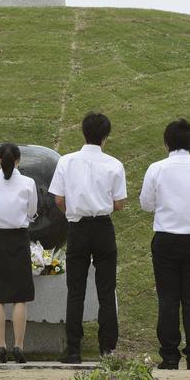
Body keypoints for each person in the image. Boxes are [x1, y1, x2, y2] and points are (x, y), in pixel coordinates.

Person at [139, 118, 190, 370]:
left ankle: (170, 355)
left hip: (166, 240)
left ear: (167, 143)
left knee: (168, 298)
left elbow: (146, 204)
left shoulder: (157, 168)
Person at [48, 112, 127, 364]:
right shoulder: (114, 164)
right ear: (106, 136)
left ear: (83, 132)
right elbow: (119, 204)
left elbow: (58, 199)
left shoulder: (67, 161)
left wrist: (72, 211)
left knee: (76, 290)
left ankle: (73, 349)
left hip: (78, 227)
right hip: (103, 227)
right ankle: (107, 348)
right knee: (106, 289)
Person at [0, 142, 38, 363]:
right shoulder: (28, 183)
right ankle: (19, 346)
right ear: (18, 160)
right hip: (19, 237)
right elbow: (32, 211)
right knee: (20, 296)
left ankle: (0, 345)